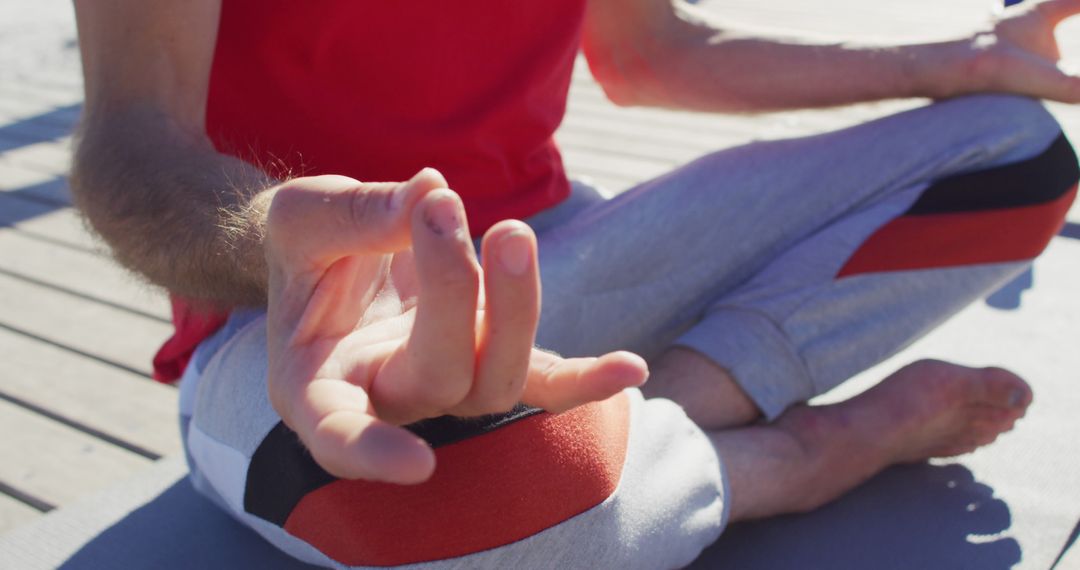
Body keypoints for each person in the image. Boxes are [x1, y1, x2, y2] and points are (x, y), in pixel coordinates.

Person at [70, 0, 1079, 567]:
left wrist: (951, 59)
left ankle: (671, 411)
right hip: (295, 324)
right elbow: (130, 141)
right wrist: (277, 246)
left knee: (1017, 151)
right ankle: (797, 453)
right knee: (407, 502)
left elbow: (651, 53)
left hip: (558, 246)